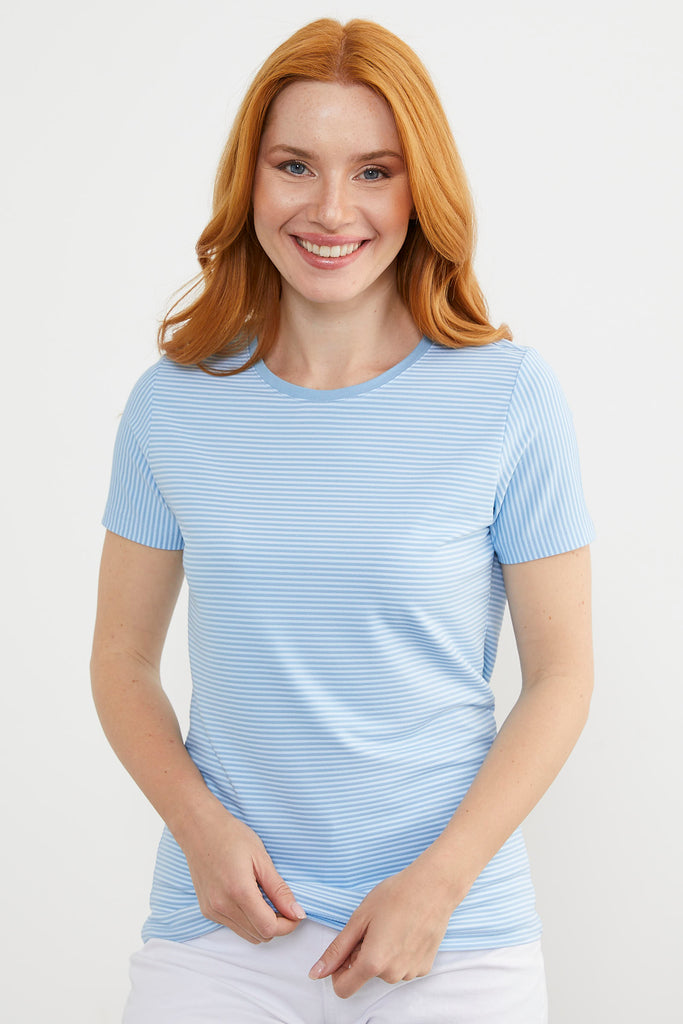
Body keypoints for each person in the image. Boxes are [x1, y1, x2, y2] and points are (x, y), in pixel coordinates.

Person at [90, 17, 594, 1024]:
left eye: (373, 171)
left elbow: (561, 676)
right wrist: (198, 832)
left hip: (449, 936)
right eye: (294, 166)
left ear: (419, 189)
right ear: (250, 181)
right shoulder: (171, 404)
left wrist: (435, 887)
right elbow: (121, 660)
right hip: (224, 933)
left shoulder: (508, 396)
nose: (330, 209)